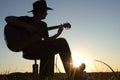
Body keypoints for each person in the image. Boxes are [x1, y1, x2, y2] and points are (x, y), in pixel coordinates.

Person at [5, 0, 73, 80]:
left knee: (60, 42)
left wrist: (58, 34)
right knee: (51, 47)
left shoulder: (43, 25)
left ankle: (70, 74)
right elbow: (8, 19)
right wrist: (27, 26)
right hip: (29, 51)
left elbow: (48, 40)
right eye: (46, 11)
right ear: (40, 11)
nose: (47, 13)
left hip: (41, 48)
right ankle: (50, 76)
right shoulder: (27, 19)